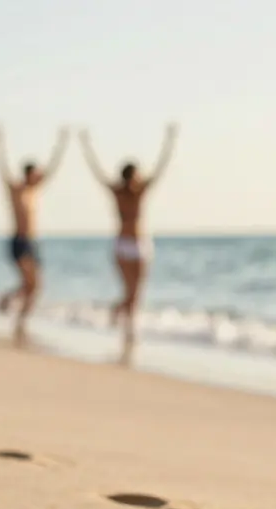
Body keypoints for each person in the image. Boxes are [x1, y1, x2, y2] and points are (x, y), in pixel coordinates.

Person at [79, 124, 178, 364]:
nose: (139, 178)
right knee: (130, 291)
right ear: (128, 176)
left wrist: (169, 141)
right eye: (136, 175)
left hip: (140, 243)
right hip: (123, 245)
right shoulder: (118, 192)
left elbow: (161, 168)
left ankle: (124, 321)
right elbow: (97, 171)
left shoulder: (142, 192)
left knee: (137, 292)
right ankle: (127, 327)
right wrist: (86, 145)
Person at [0, 125, 70, 346]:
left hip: (33, 243)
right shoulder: (16, 190)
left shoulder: (34, 191)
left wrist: (60, 145)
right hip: (20, 242)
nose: (38, 176)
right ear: (28, 173)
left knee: (34, 287)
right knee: (31, 285)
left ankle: (14, 309)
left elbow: (52, 169)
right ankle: (18, 319)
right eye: (35, 173)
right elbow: (3, 168)